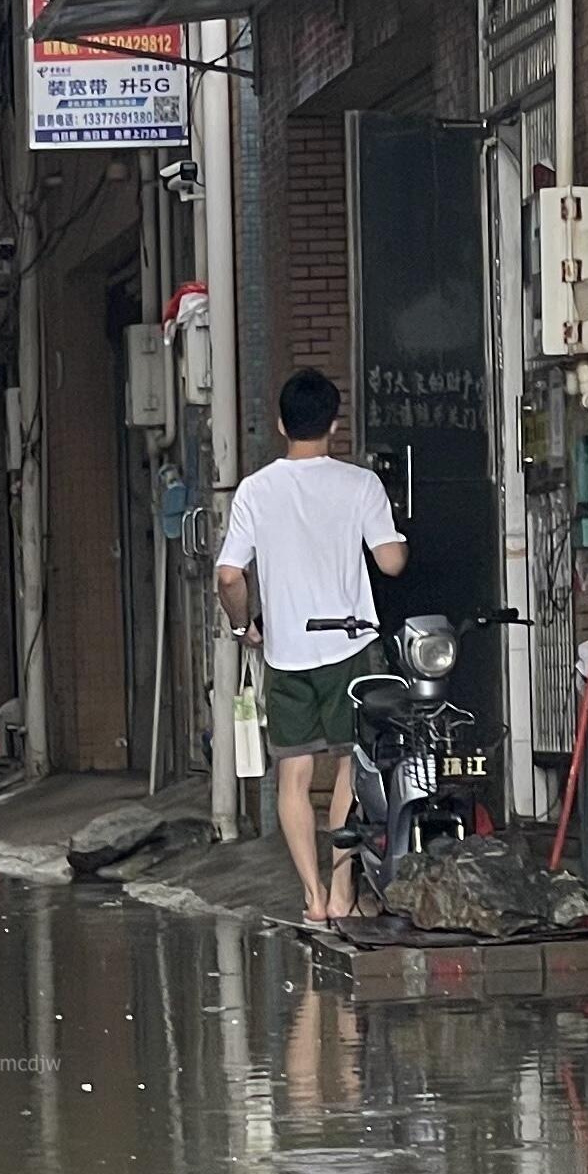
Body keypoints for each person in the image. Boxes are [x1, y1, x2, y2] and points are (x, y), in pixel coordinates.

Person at [216, 365, 410, 927]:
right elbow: (391, 562)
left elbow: (229, 576)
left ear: (281, 424)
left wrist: (242, 625)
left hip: (285, 651)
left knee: (294, 776)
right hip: (350, 649)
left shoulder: (255, 490)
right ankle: (345, 885)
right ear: (334, 423)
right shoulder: (360, 484)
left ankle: (313, 899)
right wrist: (401, 540)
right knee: (355, 766)